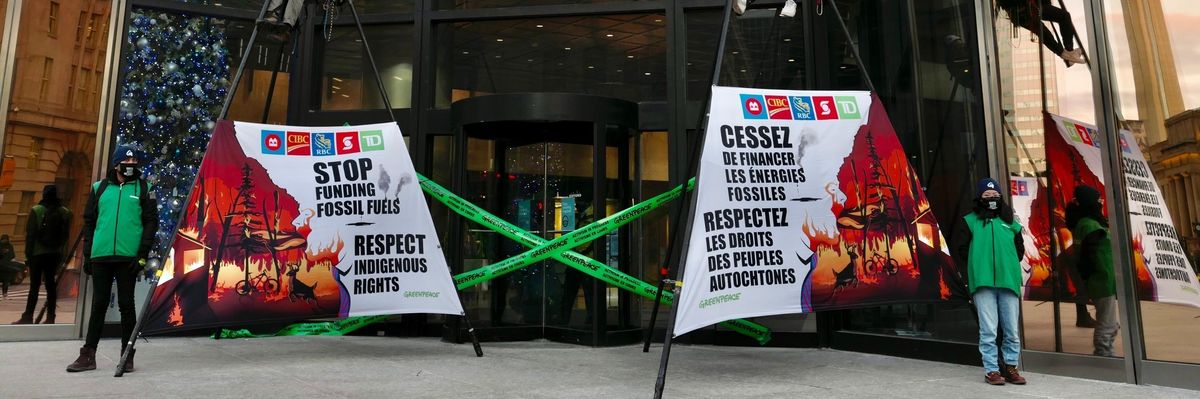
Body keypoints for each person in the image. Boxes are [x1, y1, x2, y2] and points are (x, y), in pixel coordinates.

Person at [67, 146, 158, 373]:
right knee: (98, 304)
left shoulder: (144, 188)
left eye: (135, 161)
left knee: (127, 305)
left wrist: (142, 255)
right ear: (117, 164)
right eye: (127, 161)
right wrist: (88, 254)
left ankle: (127, 355)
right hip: (101, 255)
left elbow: (151, 223)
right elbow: (89, 222)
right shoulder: (99, 188)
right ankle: (88, 355)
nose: (131, 165)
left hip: (128, 256)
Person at [954, 178, 1027, 385]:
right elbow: (962, 250)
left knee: (1012, 331)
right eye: (987, 195)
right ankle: (992, 370)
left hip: (1008, 281)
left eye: (995, 195)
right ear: (979, 198)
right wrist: (980, 265)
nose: (991, 198)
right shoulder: (970, 221)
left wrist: (1007, 264)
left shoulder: (1011, 222)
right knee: (988, 331)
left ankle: (1011, 367)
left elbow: (1019, 250)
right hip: (983, 283)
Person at [1066, 185, 1118, 357]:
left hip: (1101, 280)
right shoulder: (1090, 225)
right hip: (1101, 280)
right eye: (1098, 200)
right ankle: (1103, 353)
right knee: (1107, 323)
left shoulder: (1084, 224)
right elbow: (1090, 256)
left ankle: (1105, 350)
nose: (1101, 203)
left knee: (1109, 321)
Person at [13, 185, 72, 325]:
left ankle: (28, 316)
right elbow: (65, 236)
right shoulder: (65, 212)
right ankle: (51, 316)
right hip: (54, 254)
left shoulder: (37, 210)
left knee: (34, 285)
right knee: (51, 285)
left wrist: (28, 256)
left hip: (37, 254)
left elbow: (30, 235)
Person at [997, 0, 1086, 66]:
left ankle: (1068, 53)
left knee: (1049, 26)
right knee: (1052, 24)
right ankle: (1067, 53)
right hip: (1024, 9)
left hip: (1028, 8)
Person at [0, 235, 17, 300]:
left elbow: (12, 255)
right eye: (3, 240)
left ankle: (5, 295)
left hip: (7, 265)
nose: (4, 241)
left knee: (6, 281)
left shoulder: (10, 246)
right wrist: (2, 253)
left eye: (6, 239)